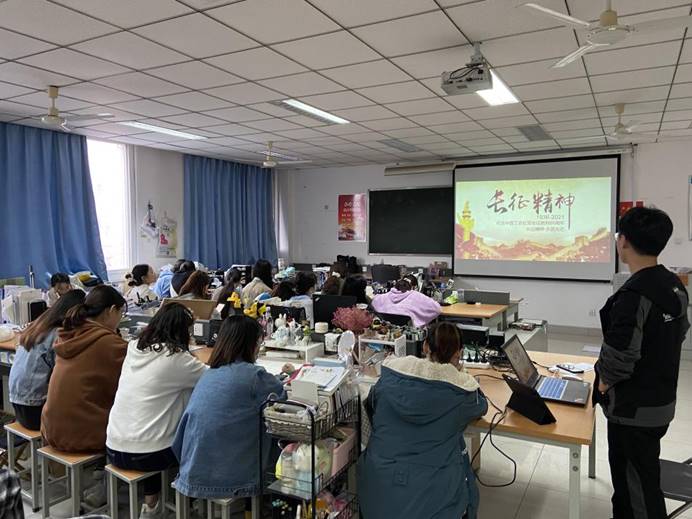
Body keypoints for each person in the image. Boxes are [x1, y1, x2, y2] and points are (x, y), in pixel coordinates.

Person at [593, 207, 689, 519]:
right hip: (661, 400)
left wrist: (602, 386)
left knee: (636, 490)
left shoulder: (635, 294)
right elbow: (679, 332)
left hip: (633, 411)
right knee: (640, 478)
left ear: (624, 241)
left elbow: (620, 357)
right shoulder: (673, 284)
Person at [358, 322, 487, 519]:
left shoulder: (390, 378)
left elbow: (372, 402)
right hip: (433, 499)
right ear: (459, 353)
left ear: (425, 346)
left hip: (377, 492)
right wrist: (462, 374)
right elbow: (481, 406)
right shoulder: (461, 394)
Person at [172, 316, 292, 499]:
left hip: (193, 467)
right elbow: (281, 400)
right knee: (274, 431)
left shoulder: (209, 372)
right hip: (228, 477)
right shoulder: (255, 376)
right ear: (250, 344)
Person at [107, 303, 207, 519]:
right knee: (192, 434)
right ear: (182, 331)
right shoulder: (178, 359)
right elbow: (212, 379)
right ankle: (192, 501)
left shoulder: (133, 347)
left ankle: (151, 504)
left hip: (113, 446)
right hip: (149, 455)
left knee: (153, 422)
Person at [41, 285, 128, 453]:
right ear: (111, 310)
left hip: (50, 428)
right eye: (121, 313)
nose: (120, 318)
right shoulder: (109, 343)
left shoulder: (67, 335)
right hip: (82, 434)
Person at [9, 290, 85, 430]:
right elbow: (64, 375)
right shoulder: (58, 334)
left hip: (18, 403)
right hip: (35, 410)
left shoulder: (38, 326)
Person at [371, 278, 441, 327]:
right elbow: (437, 309)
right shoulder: (415, 295)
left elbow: (373, 303)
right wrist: (420, 321)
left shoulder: (381, 297)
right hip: (410, 335)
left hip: (387, 333)